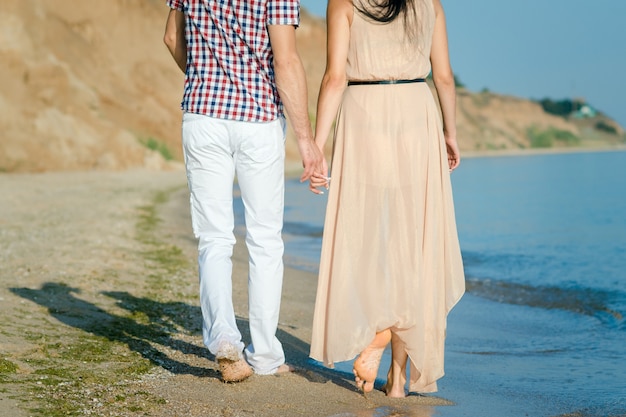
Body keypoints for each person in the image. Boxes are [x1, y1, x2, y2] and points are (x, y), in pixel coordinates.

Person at [308, 0, 465, 397]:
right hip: (417, 114)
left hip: (365, 116)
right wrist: (450, 132)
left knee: (371, 241)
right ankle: (397, 380)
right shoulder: (430, 4)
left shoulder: (343, 2)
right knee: (413, 245)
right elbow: (444, 78)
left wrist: (318, 146)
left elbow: (334, 77)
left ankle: (378, 335)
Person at [163, 1, 324, 383]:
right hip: (258, 120)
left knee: (213, 238)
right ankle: (265, 356)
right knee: (265, 240)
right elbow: (286, 61)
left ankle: (224, 341)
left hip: (202, 116)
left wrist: (206, 78)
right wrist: (306, 139)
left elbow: (172, 37)